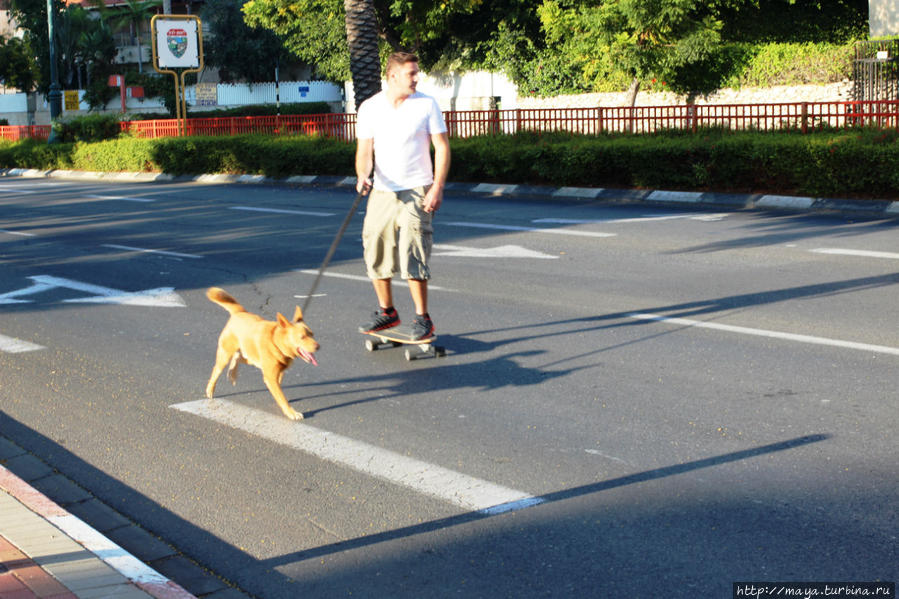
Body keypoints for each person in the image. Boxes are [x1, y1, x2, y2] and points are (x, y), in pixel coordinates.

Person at [354, 51, 451, 341]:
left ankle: (423, 318)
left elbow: (442, 147)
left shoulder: (426, 104)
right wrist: (363, 175)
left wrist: (437, 186)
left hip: (417, 188)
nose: (416, 78)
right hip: (383, 190)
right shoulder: (370, 108)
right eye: (411, 73)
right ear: (393, 76)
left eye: (416, 72)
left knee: (414, 250)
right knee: (375, 248)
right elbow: (364, 151)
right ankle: (387, 312)